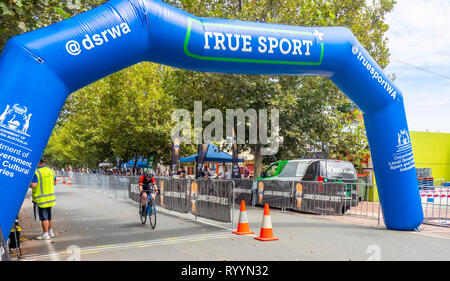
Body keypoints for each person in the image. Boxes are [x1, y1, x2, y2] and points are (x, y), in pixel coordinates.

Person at [29, 158, 56, 240]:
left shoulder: (36, 173)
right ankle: (51, 232)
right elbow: (54, 183)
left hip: (41, 199)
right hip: (50, 198)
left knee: (44, 218)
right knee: (49, 216)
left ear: (38, 163)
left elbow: (33, 185)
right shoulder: (51, 171)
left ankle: (45, 234)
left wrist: (28, 184)